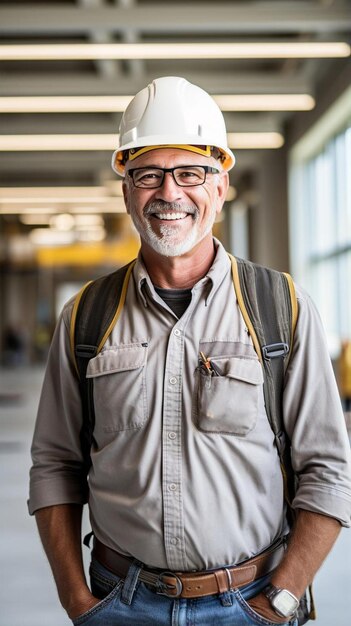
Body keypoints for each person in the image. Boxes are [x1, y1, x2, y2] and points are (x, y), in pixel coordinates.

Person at [28, 76, 351, 626]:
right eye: (148, 174)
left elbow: (327, 469)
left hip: (250, 604)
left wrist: (281, 602)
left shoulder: (280, 306)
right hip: (118, 603)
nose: (169, 193)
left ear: (219, 187)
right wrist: (77, 602)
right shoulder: (86, 315)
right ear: (127, 189)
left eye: (190, 173)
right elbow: (56, 466)